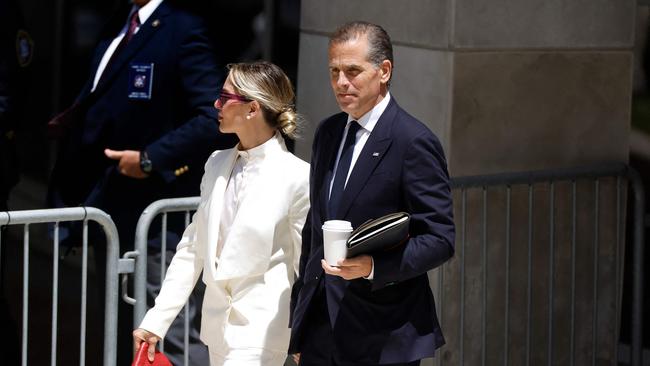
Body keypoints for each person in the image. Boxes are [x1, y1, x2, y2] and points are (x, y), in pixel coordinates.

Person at [46, 0, 237, 364]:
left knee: (170, 332)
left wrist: (151, 159)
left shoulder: (182, 28)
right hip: (112, 209)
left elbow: (211, 116)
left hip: (157, 217)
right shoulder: (119, 20)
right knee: (125, 332)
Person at [288, 21, 456, 365]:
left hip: (384, 333)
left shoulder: (413, 141)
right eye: (334, 71)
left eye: (352, 71)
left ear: (384, 71)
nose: (341, 83)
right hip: (322, 329)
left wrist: (372, 267)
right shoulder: (328, 133)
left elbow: (440, 238)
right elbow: (313, 232)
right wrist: (301, 323)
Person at [133, 61, 310, 366]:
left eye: (226, 98)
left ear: (252, 109)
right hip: (216, 331)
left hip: (263, 334)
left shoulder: (296, 176)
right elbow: (192, 248)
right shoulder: (216, 163)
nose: (217, 104)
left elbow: (305, 264)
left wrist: (309, 331)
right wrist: (156, 320)